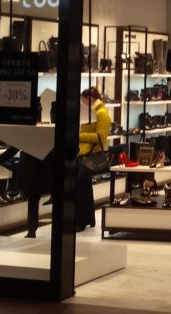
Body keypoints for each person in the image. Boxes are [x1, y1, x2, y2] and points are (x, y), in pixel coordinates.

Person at [77, 86, 111, 232]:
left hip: (90, 155)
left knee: (81, 189)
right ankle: (88, 219)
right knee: (85, 187)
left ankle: (81, 222)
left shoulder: (101, 114)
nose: (82, 103)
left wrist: (78, 136)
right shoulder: (90, 114)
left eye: (83, 100)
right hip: (84, 153)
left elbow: (100, 137)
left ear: (90, 99)